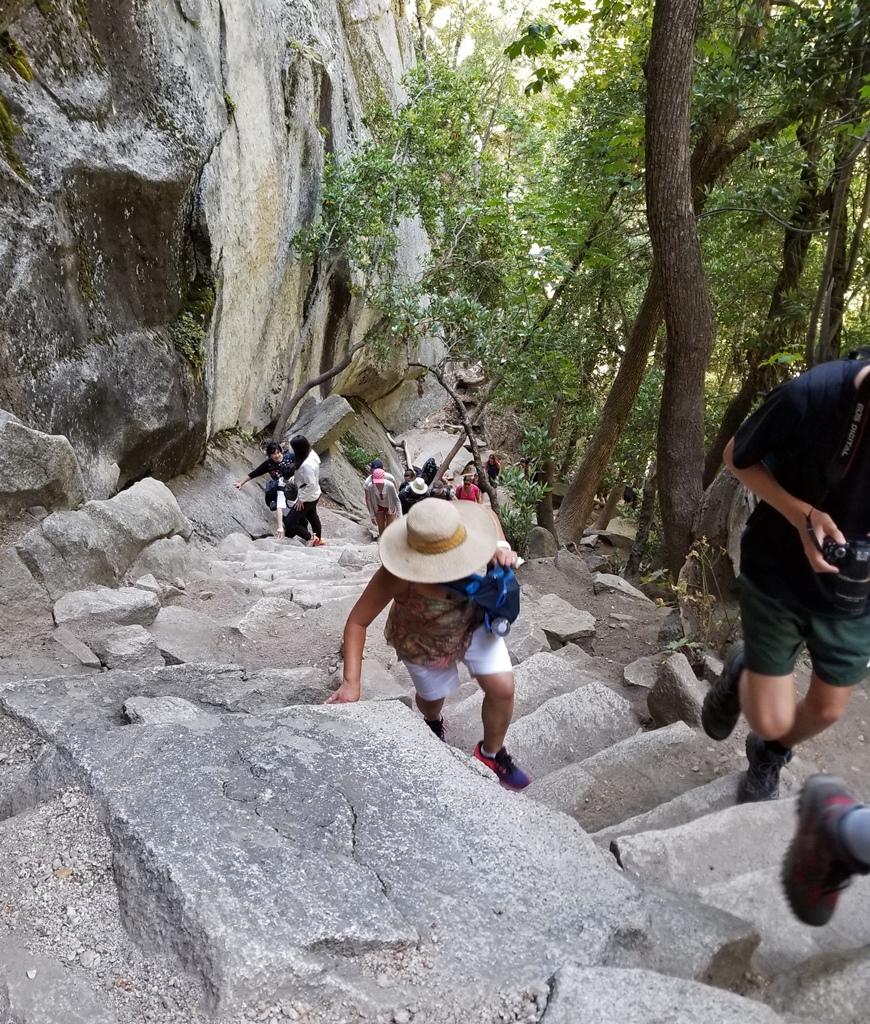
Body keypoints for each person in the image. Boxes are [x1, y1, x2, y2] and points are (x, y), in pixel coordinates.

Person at [699, 353, 870, 923]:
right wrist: (803, 517)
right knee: (772, 717)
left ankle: (767, 753)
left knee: (828, 705)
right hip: (778, 571)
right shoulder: (812, 395)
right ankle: (752, 686)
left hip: (854, 594)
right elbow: (735, 457)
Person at [325, 499, 530, 790]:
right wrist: (351, 682)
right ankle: (433, 720)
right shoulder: (397, 576)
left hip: (473, 621)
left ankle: (491, 753)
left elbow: (489, 513)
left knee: (503, 689)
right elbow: (358, 621)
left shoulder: (468, 533)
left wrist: (501, 545)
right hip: (422, 639)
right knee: (433, 699)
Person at [289, 435, 325, 547]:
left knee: (290, 522)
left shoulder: (307, 466)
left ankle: (310, 538)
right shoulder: (311, 454)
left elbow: (311, 484)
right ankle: (318, 539)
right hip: (312, 494)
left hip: (308, 496)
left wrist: (301, 499)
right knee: (312, 517)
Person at [234, 442, 295, 508]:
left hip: (295, 484)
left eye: (278, 453)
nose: (277, 456)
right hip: (281, 488)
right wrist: (240, 483)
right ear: (270, 455)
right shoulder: (268, 464)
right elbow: (254, 473)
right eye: (274, 454)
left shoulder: (290, 457)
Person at [365, 468, 402, 535]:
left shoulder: (390, 485)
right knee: (381, 528)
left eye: (380, 481)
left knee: (389, 529)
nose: (378, 483)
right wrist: (372, 515)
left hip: (390, 506)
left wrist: (400, 515)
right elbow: (370, 500)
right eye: (377, 481)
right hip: (379, 507)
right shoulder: (370, 486)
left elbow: (397, 500)